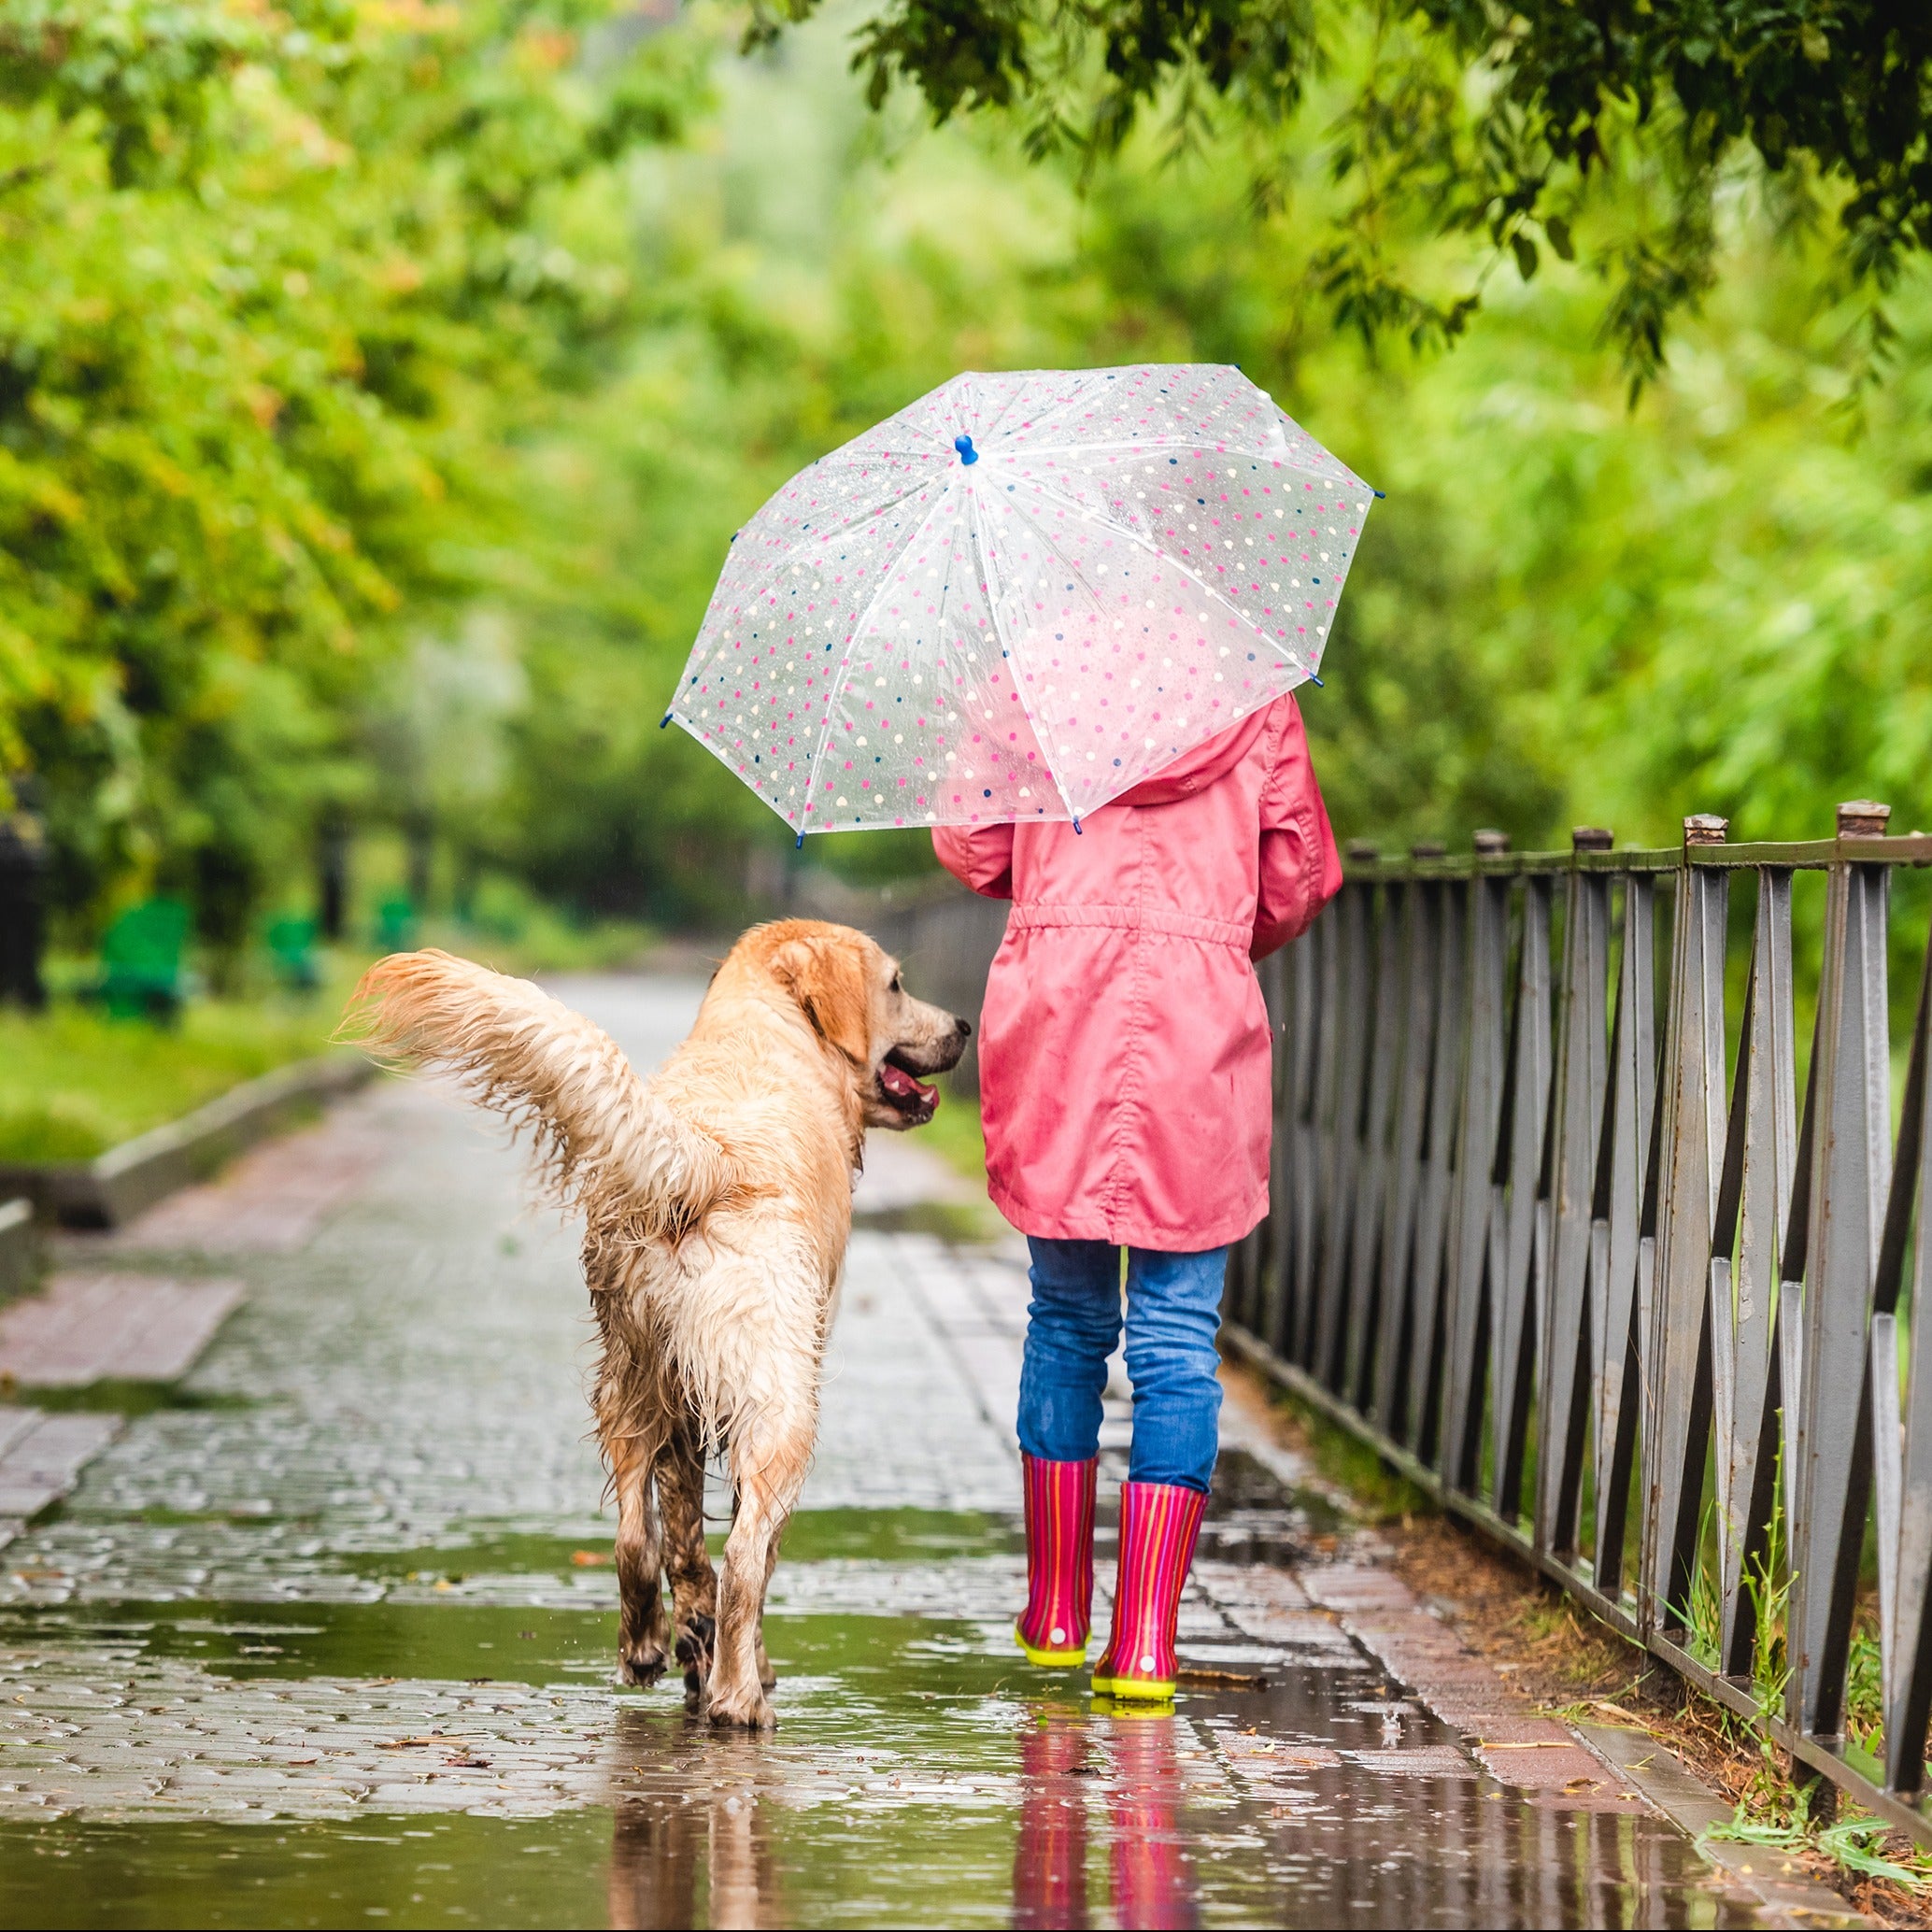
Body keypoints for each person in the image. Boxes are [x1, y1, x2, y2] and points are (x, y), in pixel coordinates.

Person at [933, 692, 1341, 1700]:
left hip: (1059, 1007)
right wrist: (1210, 922)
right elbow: (1295, 879)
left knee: (1064, 1317)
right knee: (1177, 1337)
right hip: (1196, 1018)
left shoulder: (1033, 674)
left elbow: (970, 844)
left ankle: (1059, 1609)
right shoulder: (1254, 689)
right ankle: (1148, 1639)